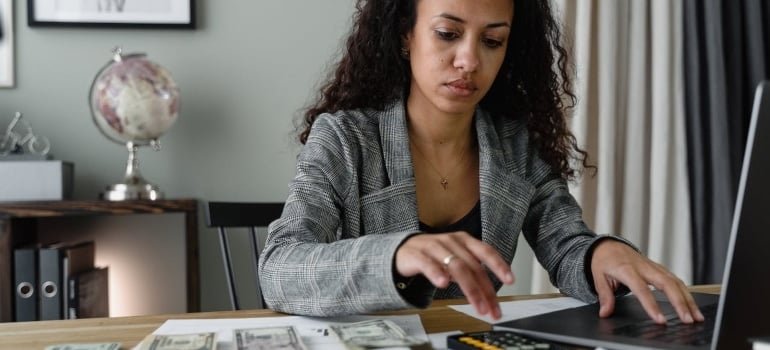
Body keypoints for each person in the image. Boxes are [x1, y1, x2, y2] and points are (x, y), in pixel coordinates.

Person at [259, 0, 703, 325]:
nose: (470, 60)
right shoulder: (345, 138)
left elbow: (566, 245)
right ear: (405, 35)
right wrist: (395, 255)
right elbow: (279, 268)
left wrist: (602, 253)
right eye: (448, 34)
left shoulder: (513, 145)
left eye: (492, 40)